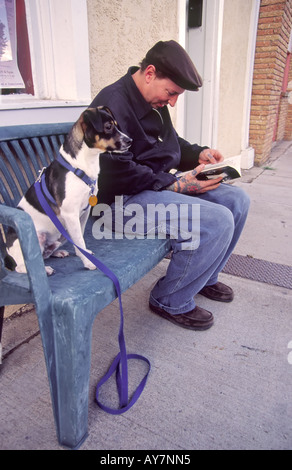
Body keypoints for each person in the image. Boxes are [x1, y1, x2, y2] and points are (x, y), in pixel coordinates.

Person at [90, 40, 250, 331]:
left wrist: (198, 154)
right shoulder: (110, 105)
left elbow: (170, 144)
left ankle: (203, 277)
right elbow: (114, 172)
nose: (173, 102)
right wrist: (175, 185)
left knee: (237, 202)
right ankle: (170, 299)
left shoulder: (152, 101)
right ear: (150, 73)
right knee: (216, 221)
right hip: (117, 204)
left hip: (153, 189)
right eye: (172, 93)